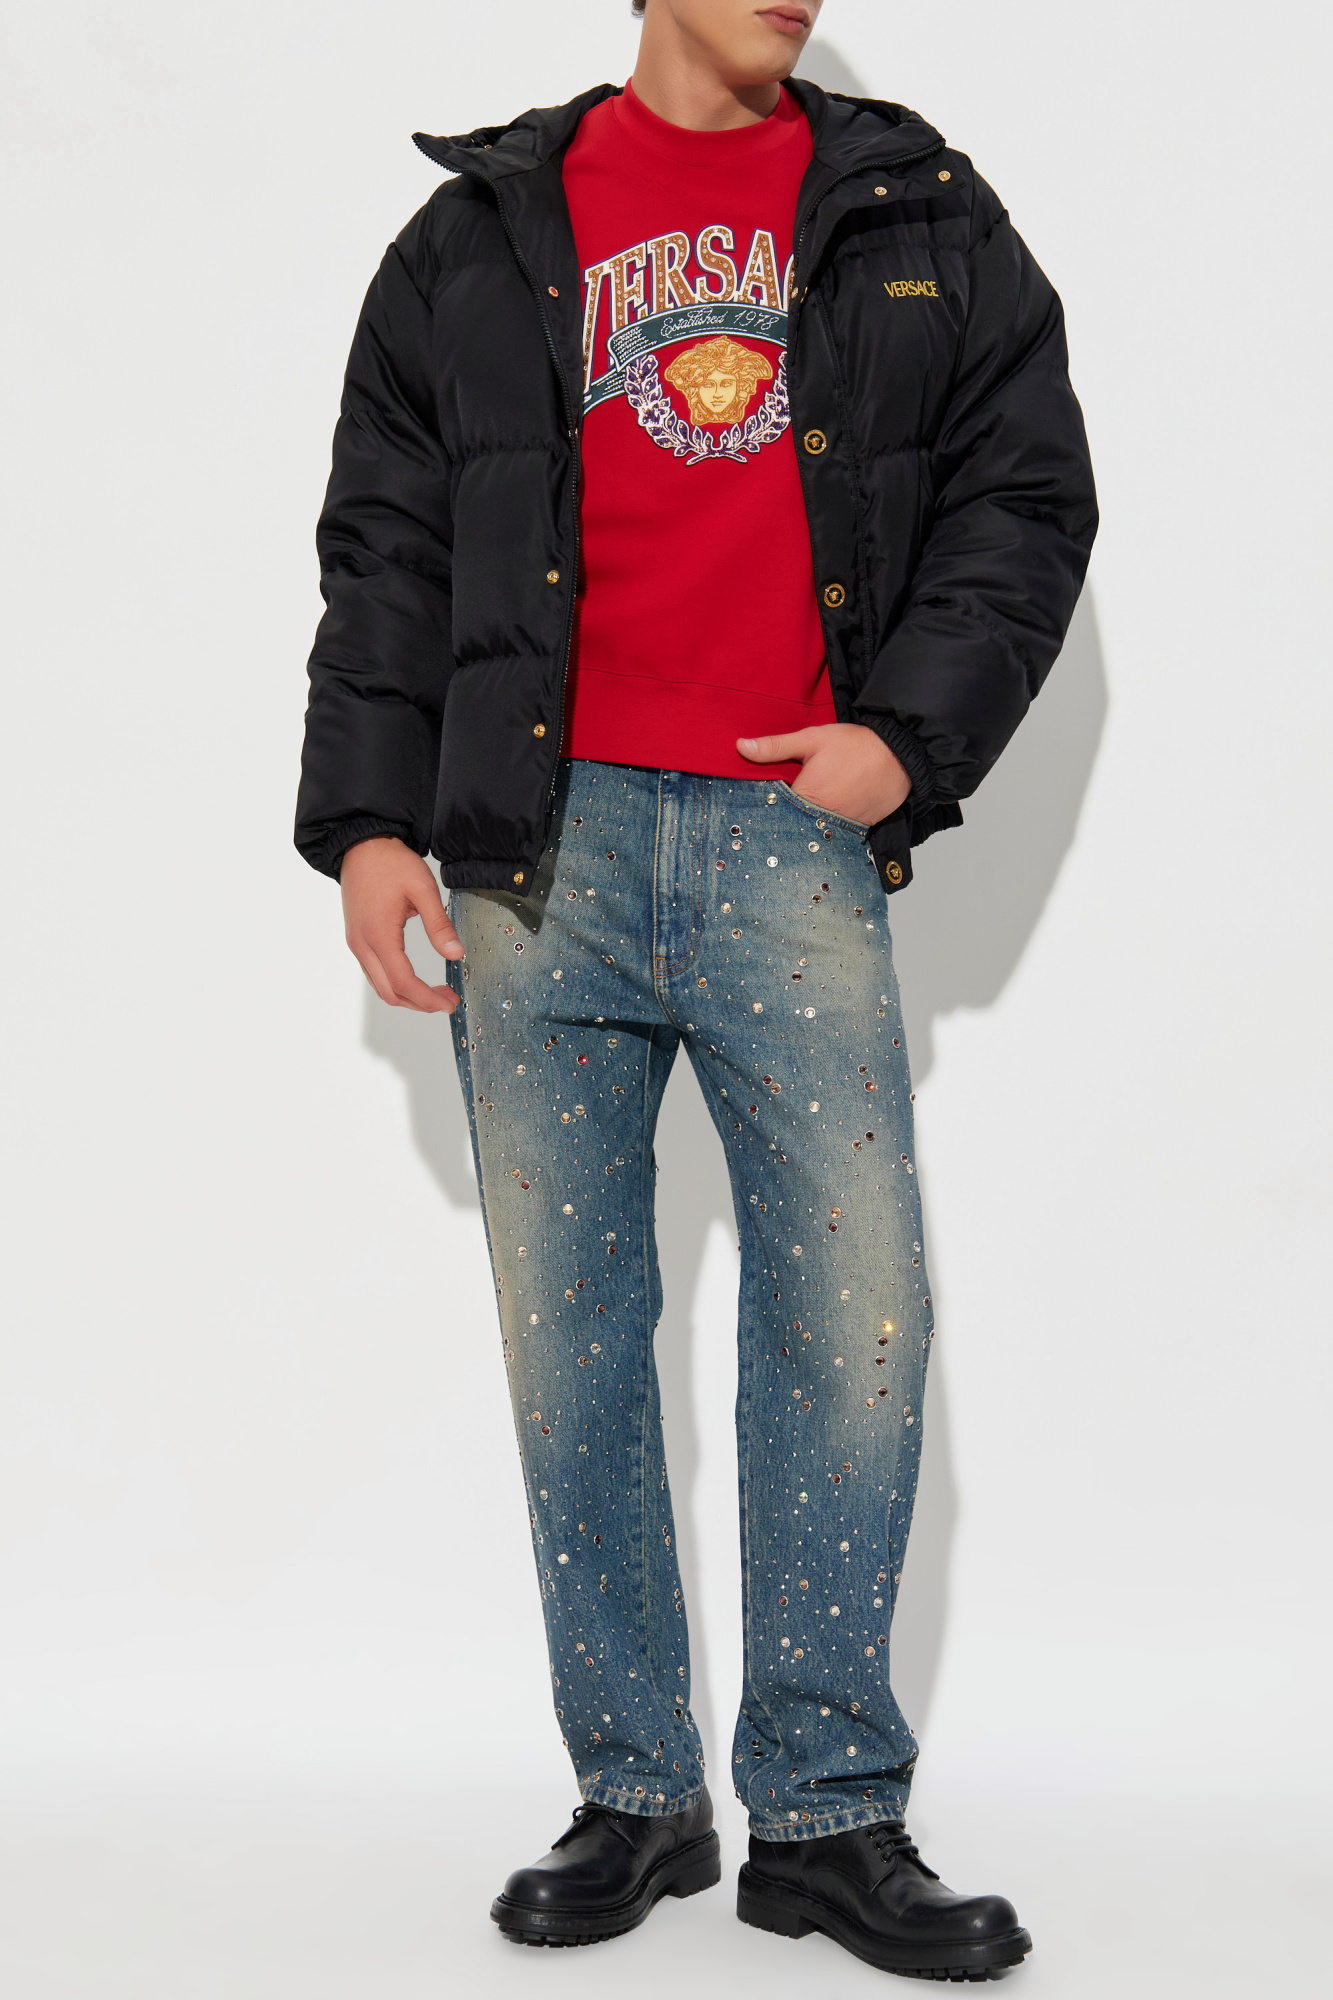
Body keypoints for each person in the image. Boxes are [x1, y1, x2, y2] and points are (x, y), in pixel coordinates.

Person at [294, 0, 1096, 1979]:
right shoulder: (479, 229)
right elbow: (389, 536)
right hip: (532, 854)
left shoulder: (914, 205)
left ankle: (824, 1815)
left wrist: (904, 740)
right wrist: (370, 818)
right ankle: (636, 1794)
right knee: (570, 1341)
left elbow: (1023, 487)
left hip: (783, 843)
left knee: (854, 1323)